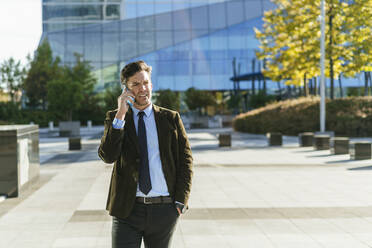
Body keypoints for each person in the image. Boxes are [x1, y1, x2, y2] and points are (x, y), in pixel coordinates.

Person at [98, 60, 193, 248]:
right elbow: (108, 156)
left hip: (165, 210)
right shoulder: (116, 118)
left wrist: (181, 201)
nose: (142, 88)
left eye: (145, 82)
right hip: (127, 210)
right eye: (135, 84)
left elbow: (186, 161)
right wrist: (121, 114)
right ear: (126, 89)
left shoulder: (170, 118)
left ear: (151, 84)